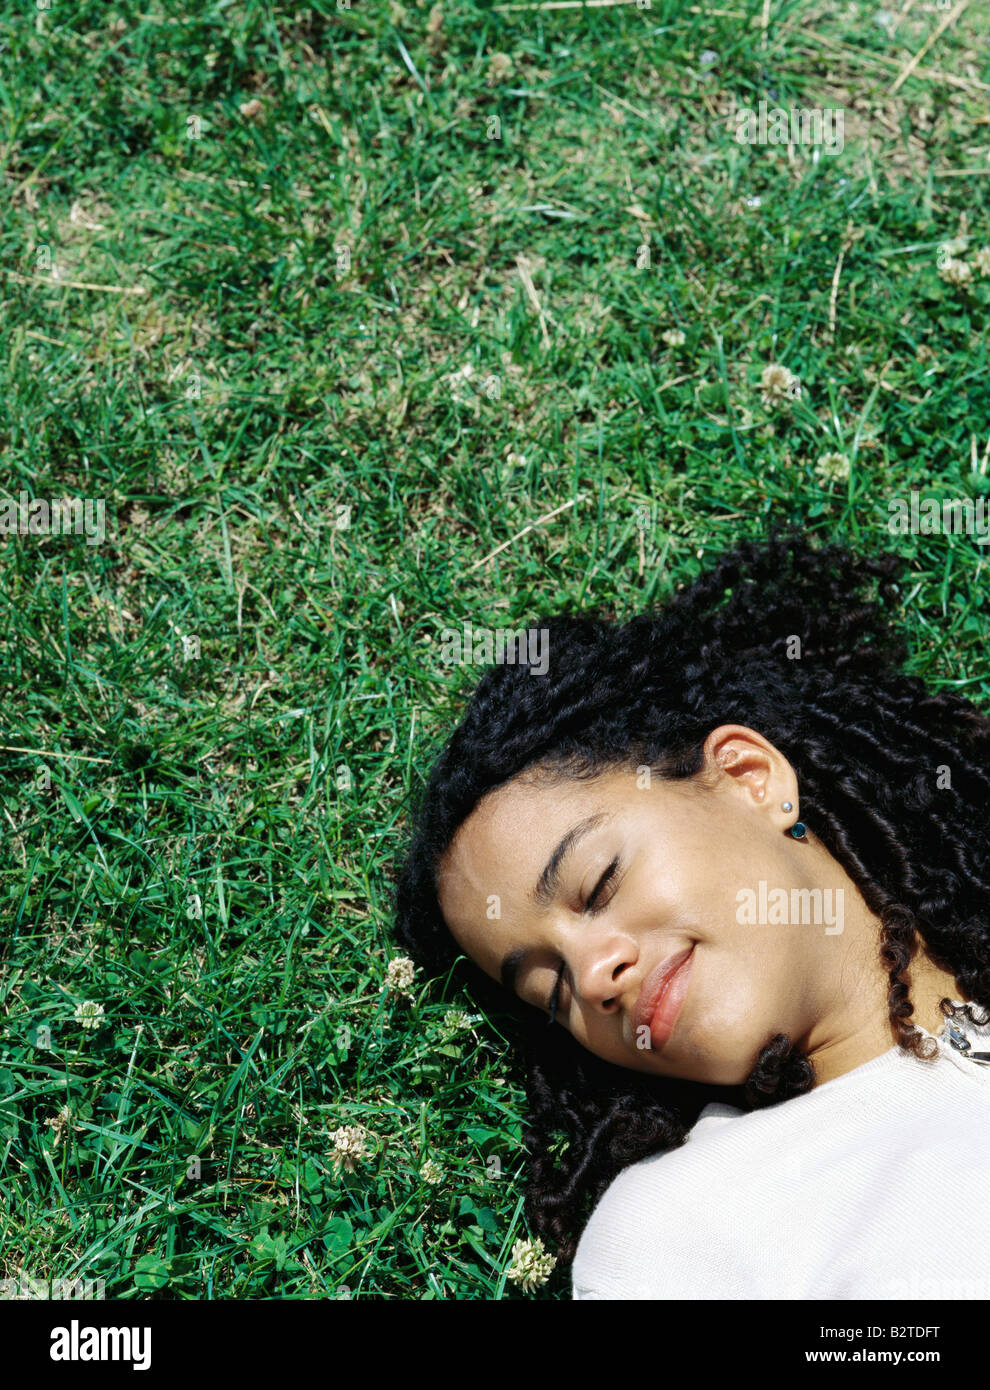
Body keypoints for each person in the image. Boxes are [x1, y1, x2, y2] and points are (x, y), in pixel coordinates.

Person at [393, 532, 990, 1298]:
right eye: (553, 991)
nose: (594, 976)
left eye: (599, 884)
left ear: (747, 777)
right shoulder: (676, 1235)